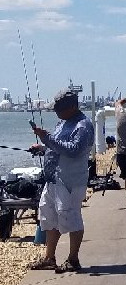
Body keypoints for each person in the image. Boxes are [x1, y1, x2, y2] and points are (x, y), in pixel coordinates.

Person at [28, 90, 94, 273]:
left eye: (59, 108)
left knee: (71, 217)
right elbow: (57, 145)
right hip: (53, 179)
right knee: (49, 217)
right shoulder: (62, 122)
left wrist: (46, 138)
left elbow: (73, 150)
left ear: (72, 106)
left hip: (70, 181)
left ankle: (73, 259)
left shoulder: (83, 126)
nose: (56, 112)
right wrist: (42, 147)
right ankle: (49, 258)